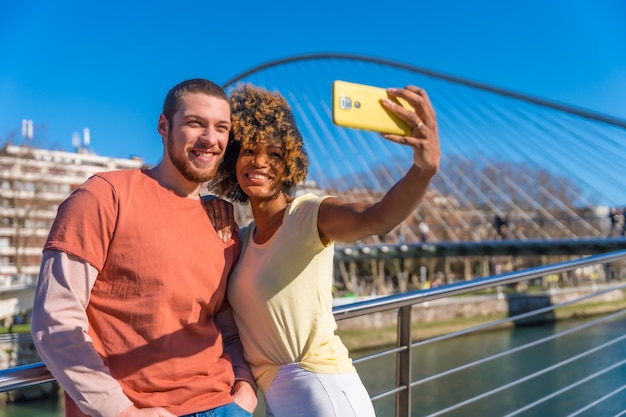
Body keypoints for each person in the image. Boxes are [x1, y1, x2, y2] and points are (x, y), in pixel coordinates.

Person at [206, 83, 440, 417]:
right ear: (233, 160)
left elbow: (377, 217)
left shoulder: (308, 215)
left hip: (323, 392)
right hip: (274, 397)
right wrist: (205, 203)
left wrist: (424, 169)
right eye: (248, 151)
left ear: (290, 164)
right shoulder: (240, 240)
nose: (259, 162)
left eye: (274, 154)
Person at [31, 78, 257, 417]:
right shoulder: (104, 196)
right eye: (195, 123)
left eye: (221, 128)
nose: (210, 139)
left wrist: (245, 387)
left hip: (224, 404)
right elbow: (56, 320)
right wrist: (121, 412)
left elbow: (226, 324)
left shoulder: (222, 222)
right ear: (163, 126)